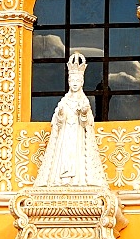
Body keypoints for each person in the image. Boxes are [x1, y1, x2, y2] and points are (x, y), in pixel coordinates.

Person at [34, 53, 108, 188]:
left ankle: (78, 180)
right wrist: (61, 115)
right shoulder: (64, 101)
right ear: (69, 82)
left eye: (77, 81)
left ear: (82, 82)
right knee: (64, 158)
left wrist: (84, 114)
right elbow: (56, 122)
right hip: (65, 137)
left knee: (77, 158)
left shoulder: (84, 101)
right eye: (72, 81)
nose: (74, 84)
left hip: (78, 137)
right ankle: (63, 180)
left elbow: (88, 123)